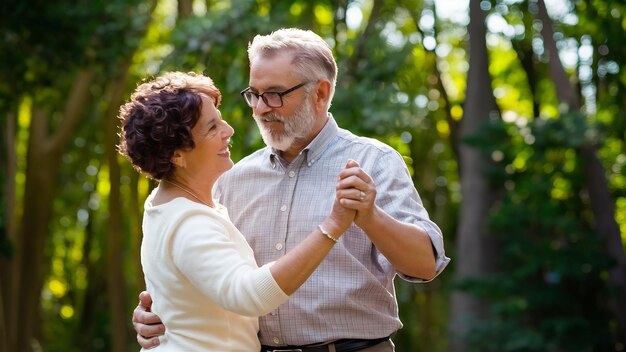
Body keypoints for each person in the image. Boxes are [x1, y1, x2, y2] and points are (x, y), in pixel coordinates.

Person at [133, 29, 450, 352]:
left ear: (320, 93)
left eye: (274, 94)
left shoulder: (375, 162)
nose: (259, 109)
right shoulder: (231, 179)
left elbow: (425, 266)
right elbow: (207, 272)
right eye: (254, 94)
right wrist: (165, 312)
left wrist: (370, 216)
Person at [117, 71, 357, 351]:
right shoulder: (188, 221)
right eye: (211, 127)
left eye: (220, 119)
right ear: (177, 155)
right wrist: (333, 225)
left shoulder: (171, 205)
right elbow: (250, 294)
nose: (228, 130)